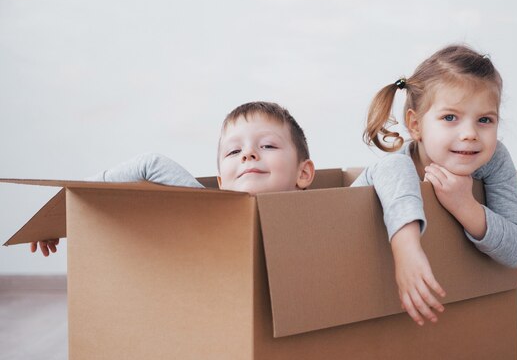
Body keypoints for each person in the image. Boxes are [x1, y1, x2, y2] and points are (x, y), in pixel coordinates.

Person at [352, 44, 517, 327]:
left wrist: (465, 206)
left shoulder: (494, 159)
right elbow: (388, 170)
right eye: (450, 117)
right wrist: (407, 251)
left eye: (485, 120)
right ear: (415, 125)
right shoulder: (397, 165)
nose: (470, 133)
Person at [31, 101, 315, 256]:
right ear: (220, 182)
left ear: (303, 173)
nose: (248, 154)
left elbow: (362, 179)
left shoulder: (321, 218)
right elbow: (149, 163)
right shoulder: (205, 208)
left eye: (267, 145)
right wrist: (64, 210)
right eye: (234, 150)